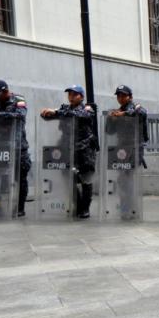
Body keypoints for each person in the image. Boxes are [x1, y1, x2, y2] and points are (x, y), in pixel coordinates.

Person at [40, 85, 99, 219]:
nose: (71, 97)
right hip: (67, 149)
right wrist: (46, 113)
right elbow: (50, 116)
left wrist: (56, 112)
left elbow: (79, 115)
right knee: (67, 177)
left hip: (84, 150)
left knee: (85, 179)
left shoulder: (87, 109)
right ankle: (77, 205)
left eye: (74, 94)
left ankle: (85, 208)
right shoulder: (64, 109)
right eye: (69, 94)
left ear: (81, 97)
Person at [0, 79, 30, 217]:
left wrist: (0, 114)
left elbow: (21, 115)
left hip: (17, 146)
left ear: (5, 91)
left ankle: (19, 208)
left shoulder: (18, 101)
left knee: (20, 177)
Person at [105, 85, 148, 220]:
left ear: (130, 97)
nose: (121, 98)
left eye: (124, 95)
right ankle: (127, 209)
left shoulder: (136, 108)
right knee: (123, 180)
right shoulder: (117, 112)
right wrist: (111, 120)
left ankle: (130, 209)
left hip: (134, 148)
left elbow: (141, 113)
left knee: (128, 180)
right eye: (118, 96)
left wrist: (123, 114)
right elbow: (109, 131)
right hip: (121, 149)